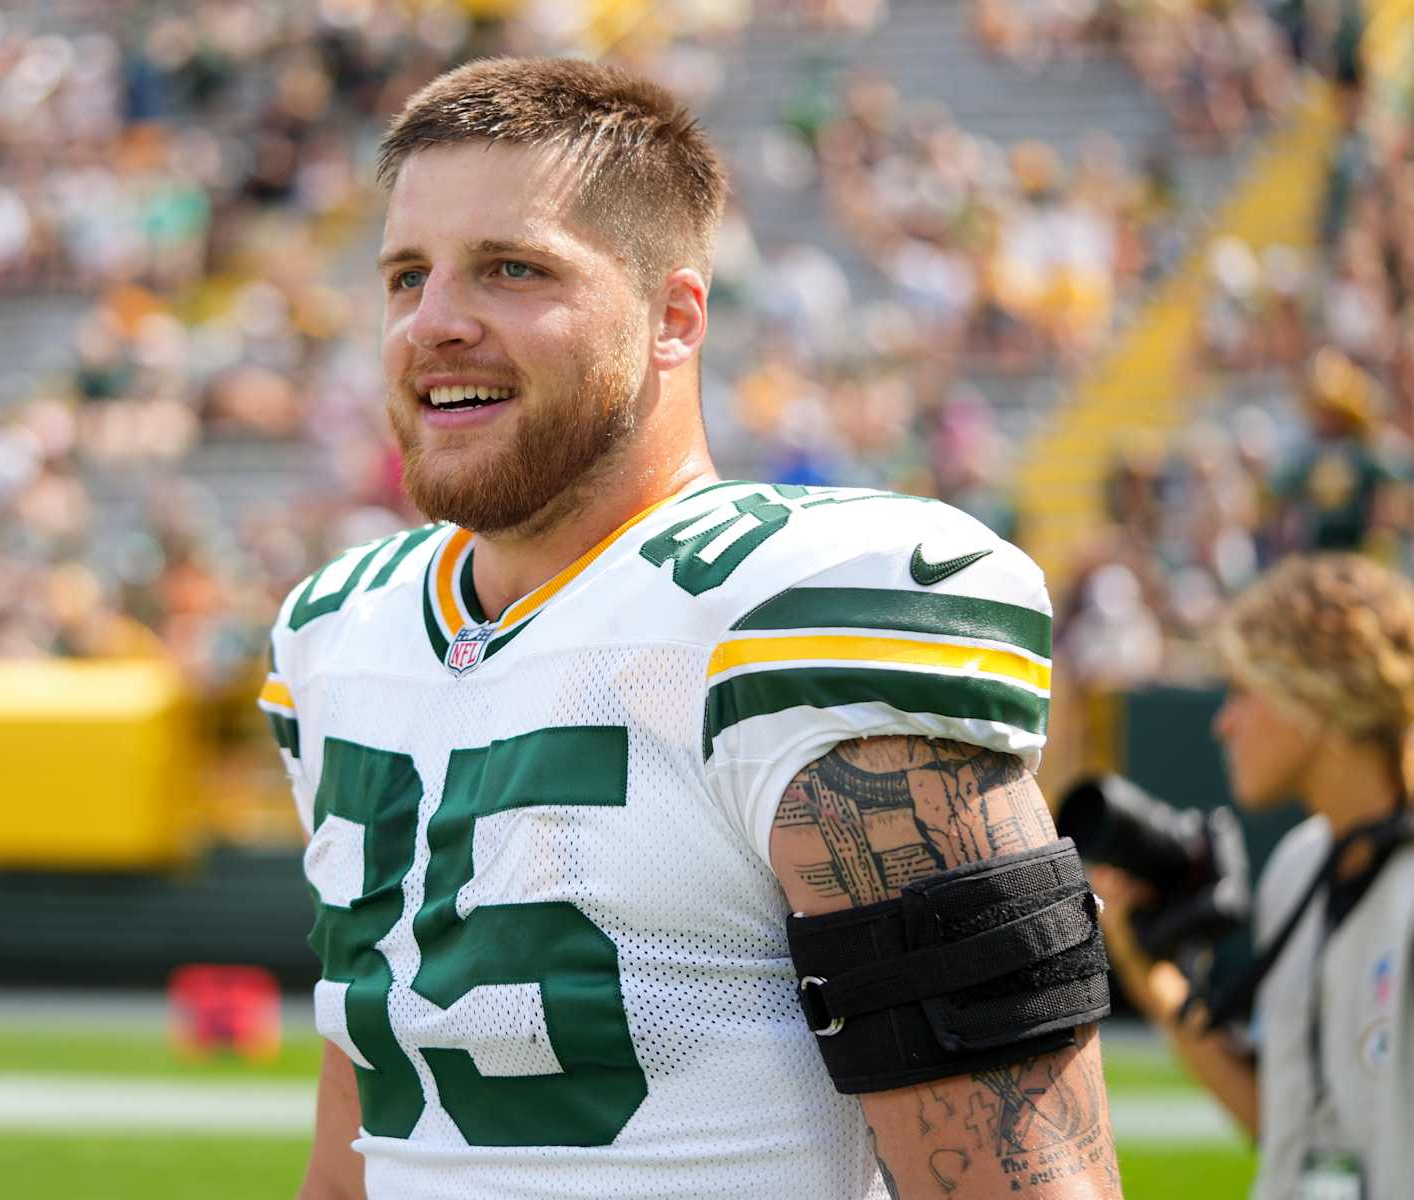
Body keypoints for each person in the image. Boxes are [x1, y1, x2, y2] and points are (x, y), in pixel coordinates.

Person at [261, 58, 1119, 1200]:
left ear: (674, 317)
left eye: (513, 269)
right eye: (407, 276)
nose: (435, 323)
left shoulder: (800, 612)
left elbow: (1026, 1184)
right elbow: (359, 1146)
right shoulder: (341, 635)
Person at [1096, 553, 1414, 1200]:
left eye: (1244, 690)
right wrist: (1149, 975)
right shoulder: (1300, 864)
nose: (1224, 722)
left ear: (1318, 694)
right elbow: (1284, 1129)